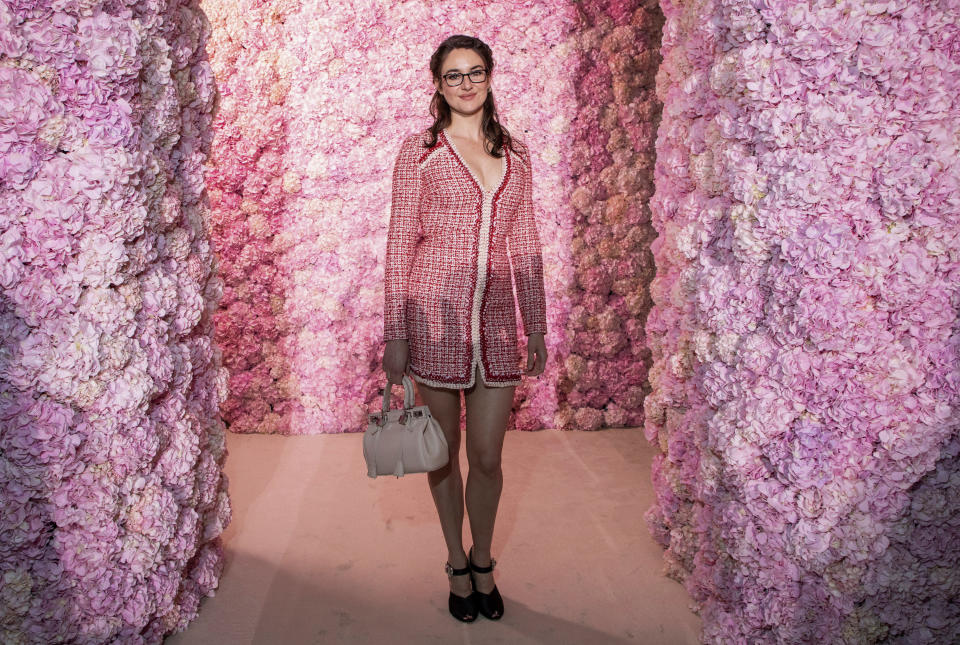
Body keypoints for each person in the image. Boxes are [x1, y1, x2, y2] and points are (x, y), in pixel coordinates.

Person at [382, 34, 548, 622]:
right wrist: (395, 332)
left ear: (491, 76)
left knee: (489, 455)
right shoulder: (419, 151)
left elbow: (525, 242)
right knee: (443, 454)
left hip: (499, 322)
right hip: (433, 319)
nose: (466, 84)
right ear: (438, 84)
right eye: (453, 75)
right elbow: (401, 241)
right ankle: (456, 562)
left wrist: (538, 326)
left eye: (475, 72)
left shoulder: (518, 152)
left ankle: (483, 559)